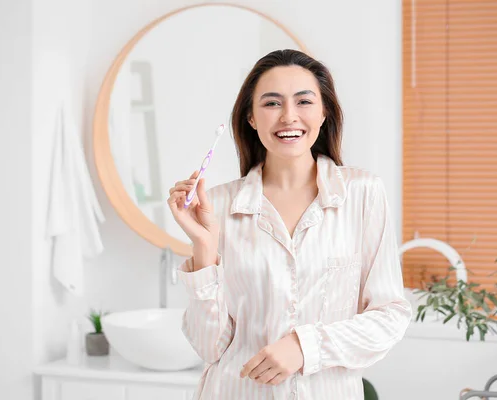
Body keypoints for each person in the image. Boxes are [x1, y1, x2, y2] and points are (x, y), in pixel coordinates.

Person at [167, 49, 411, 400]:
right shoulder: (217, 205)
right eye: (271, 103)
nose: (289, 116)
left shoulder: (362, 193)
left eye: (304, 101)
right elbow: (209, 348)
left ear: (324, 112)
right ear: (250, 117)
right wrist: (204, 250)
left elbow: (389, 315)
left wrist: (305, 347)